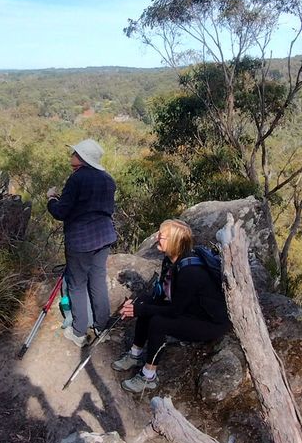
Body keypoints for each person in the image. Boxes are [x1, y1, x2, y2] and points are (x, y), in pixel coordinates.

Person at [113, 219, 230, 393]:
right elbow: (161, 295)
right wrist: (138, 304)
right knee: (144, 303)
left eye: (162, 236)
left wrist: (140, 310)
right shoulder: (170, 261)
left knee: (159, 322)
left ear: (175, 241)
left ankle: (148, 376)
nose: (157, 238)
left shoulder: (190, 272)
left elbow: (174, 311)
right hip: (191, 310)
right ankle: (135, 354)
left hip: (210, 323)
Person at [46, 139, 116, 347]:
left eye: (74, 153)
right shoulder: (108, 179)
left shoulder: (77, 179)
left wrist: (51, 199)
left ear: (83, 158)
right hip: (104, 236)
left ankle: (78, 332)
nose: (71, 156)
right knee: (98, 280)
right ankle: (102, 327)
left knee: (77, 285)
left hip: (81, 240)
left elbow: (61, 212)